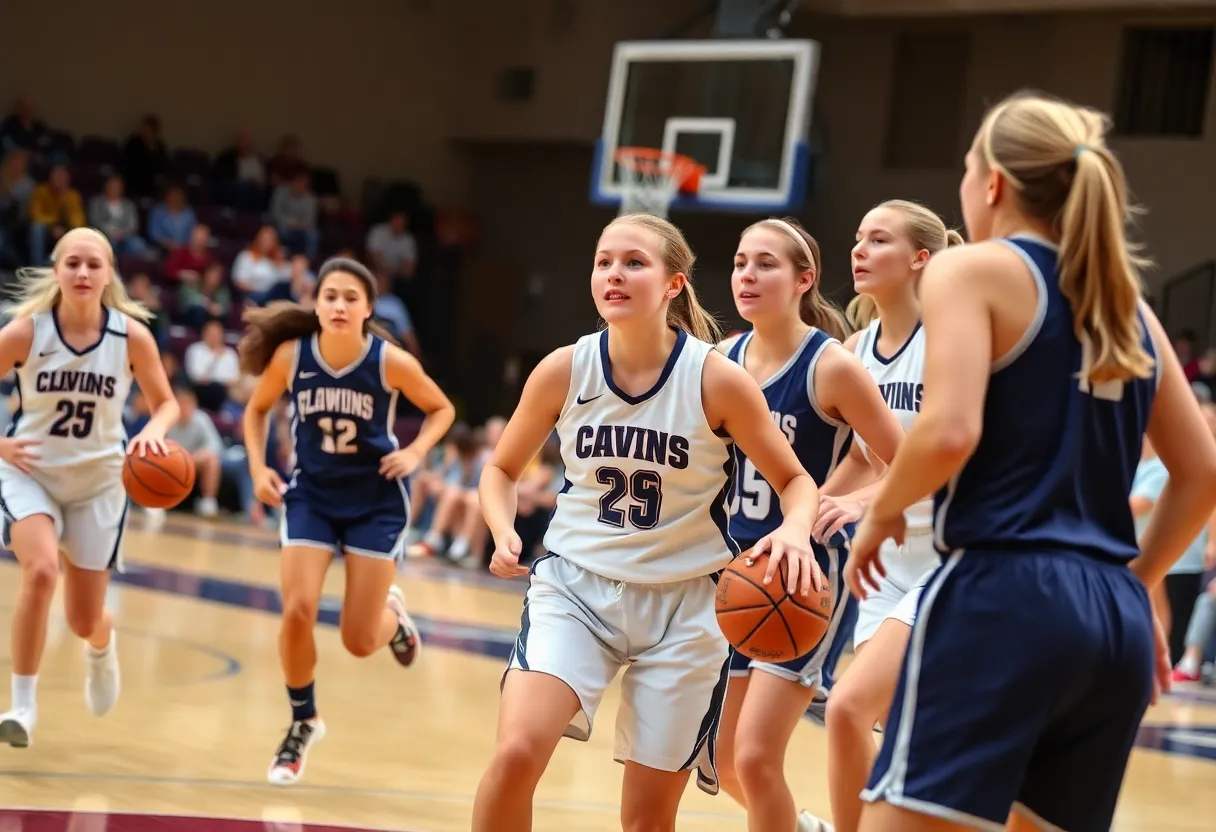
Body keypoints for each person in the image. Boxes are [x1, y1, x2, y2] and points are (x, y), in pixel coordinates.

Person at [848, 90, 1216, 832]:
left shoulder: (971, 270)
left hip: (1001, 596)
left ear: (993, 185)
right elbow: (1204, 474)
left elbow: (949, 431)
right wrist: (1136, 585)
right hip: (1110, 620)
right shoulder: (1127, 304)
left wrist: (881, 511)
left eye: (963, 169)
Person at [470, 213, 822, 832]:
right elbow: (500, 470)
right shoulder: (563, 369)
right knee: (516, 753)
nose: (614, 274)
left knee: (648, 819)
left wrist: (794, 529)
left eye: (634, 262)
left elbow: (796, 482)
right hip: (575, 588)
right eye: (604, 261)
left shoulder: (716, 379)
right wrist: (502, 528)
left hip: (687, 608)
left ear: (673, 285)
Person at [710, 216, 904, 832]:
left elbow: (905, 461)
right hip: (736, 572)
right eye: (741, 262)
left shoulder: (832, 367)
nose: (748, 275)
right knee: (724, 764)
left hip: (808, 573)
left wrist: (852, 501)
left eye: (766, 263)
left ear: (804, 280)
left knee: (755, 755)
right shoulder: (721, 360)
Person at [238, 256, 455, 785]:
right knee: (297, 610)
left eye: (350, 297)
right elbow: (256, 410)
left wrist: (416, 452)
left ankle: (394, 617)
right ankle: (303, 721)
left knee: (358, 642)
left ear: (368, 308)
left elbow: (442, 409)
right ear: (316, 302)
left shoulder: (389, 361)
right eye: (330, 295)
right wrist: (259, 465)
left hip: (375, 502)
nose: (338, 305)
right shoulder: (292, 356)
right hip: (311, 495)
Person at [809, 201, 963, 832]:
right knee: (875, 718)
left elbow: (942, 459)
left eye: (879, 240)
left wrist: (857, 503)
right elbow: (861, 460)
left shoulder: (950, 341)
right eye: (857, 238)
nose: (859, 250)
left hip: (948, 555)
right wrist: (813, 502)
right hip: (886, 564)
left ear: (920, 259)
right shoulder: (856, 349)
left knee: (850, 707)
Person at [0, 227, 178, 748]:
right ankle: (22, 707)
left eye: (93, 265)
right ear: (57, 271)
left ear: (108, 275)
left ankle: (101, 646)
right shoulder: (26, 332)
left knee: (82, 620)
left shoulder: (131, 337)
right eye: (72, 263)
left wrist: (153, 430)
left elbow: (166, 403)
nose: (82, 273)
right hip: (30, 472)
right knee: (39, 571)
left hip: (101, 482)